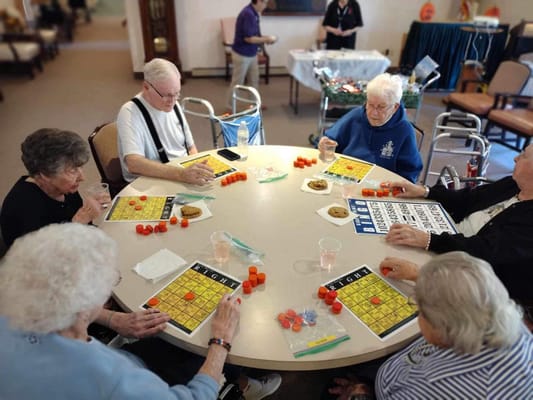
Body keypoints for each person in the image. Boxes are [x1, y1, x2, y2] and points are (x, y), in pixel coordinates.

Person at [0, 223, 240, 399]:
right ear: (87, 302)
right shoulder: (110, 377)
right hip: (141, 380)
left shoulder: (10, 314)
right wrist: (220, 341)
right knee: (229, 360)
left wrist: (112, 319)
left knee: (166, 343)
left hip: (122, 359)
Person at [325, 252, 533, 399]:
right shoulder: (498, 313)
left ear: (444, 329)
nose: (418, 314)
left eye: (421, 310)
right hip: (398, 371)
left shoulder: (446, 391)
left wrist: (362, 393)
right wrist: (420, 275)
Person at [383, 144, 533, 304]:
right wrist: (425, 191)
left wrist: (428, 240)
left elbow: (482, 252)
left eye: (524, 156)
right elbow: (468, 198)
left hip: (475, 283)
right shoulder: (513, 184)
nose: (515, 158)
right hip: (448, 239)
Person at [0, 128, 106, 248]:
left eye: (80, 167)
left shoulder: (66, 188)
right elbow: (40, 258)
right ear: (44, 174)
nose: (82, 177)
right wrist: (78, 222)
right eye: (72, 170)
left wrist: (89, 213)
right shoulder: (24, 205)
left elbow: (85, 229)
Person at [117, 58, 215, 185]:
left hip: (181, 174)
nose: (173, 100)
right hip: (150, 182)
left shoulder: (173, 103)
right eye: (167, 95)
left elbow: (190, 147)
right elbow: (134, 163)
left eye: (177, 94)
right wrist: (181, 174)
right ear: (146, 87)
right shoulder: (129, 112)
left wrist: (197, 168)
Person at [318, 73, 422, 182]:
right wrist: (324, 143)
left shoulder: (404, 130)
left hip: (381, 184)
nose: (373, 113)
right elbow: (331, 140)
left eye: (381, 107)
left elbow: (409, 173)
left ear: (395, 107)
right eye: (370, 105)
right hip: (346, 177)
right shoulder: (356, 115)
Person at [226, 0, 277, 109]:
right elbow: (249, 38)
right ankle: (230, 107)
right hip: (242, 54)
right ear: (258, 1)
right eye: (265, 3)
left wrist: (265, 39)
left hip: (252, 53)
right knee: (237, 82)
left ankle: (254, 104)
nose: (266, 6)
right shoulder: (248, 14)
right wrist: (266, 39)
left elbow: (256, 35)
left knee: (254, 80)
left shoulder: (254, 14)